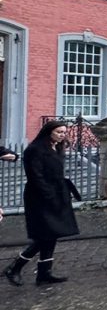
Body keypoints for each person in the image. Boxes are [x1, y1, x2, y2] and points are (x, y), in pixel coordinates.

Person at [4, 121, 80, 286]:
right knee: (44, 235)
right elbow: (35, 175)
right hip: (40, 196)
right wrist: (48, 194)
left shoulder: (57, 148)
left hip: (58, 193)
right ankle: (15, 267)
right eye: (59, 132)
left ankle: (45, 272)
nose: (62, 135)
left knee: (52, 234)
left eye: (63, 132)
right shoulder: (35, 150)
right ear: (49, 132)